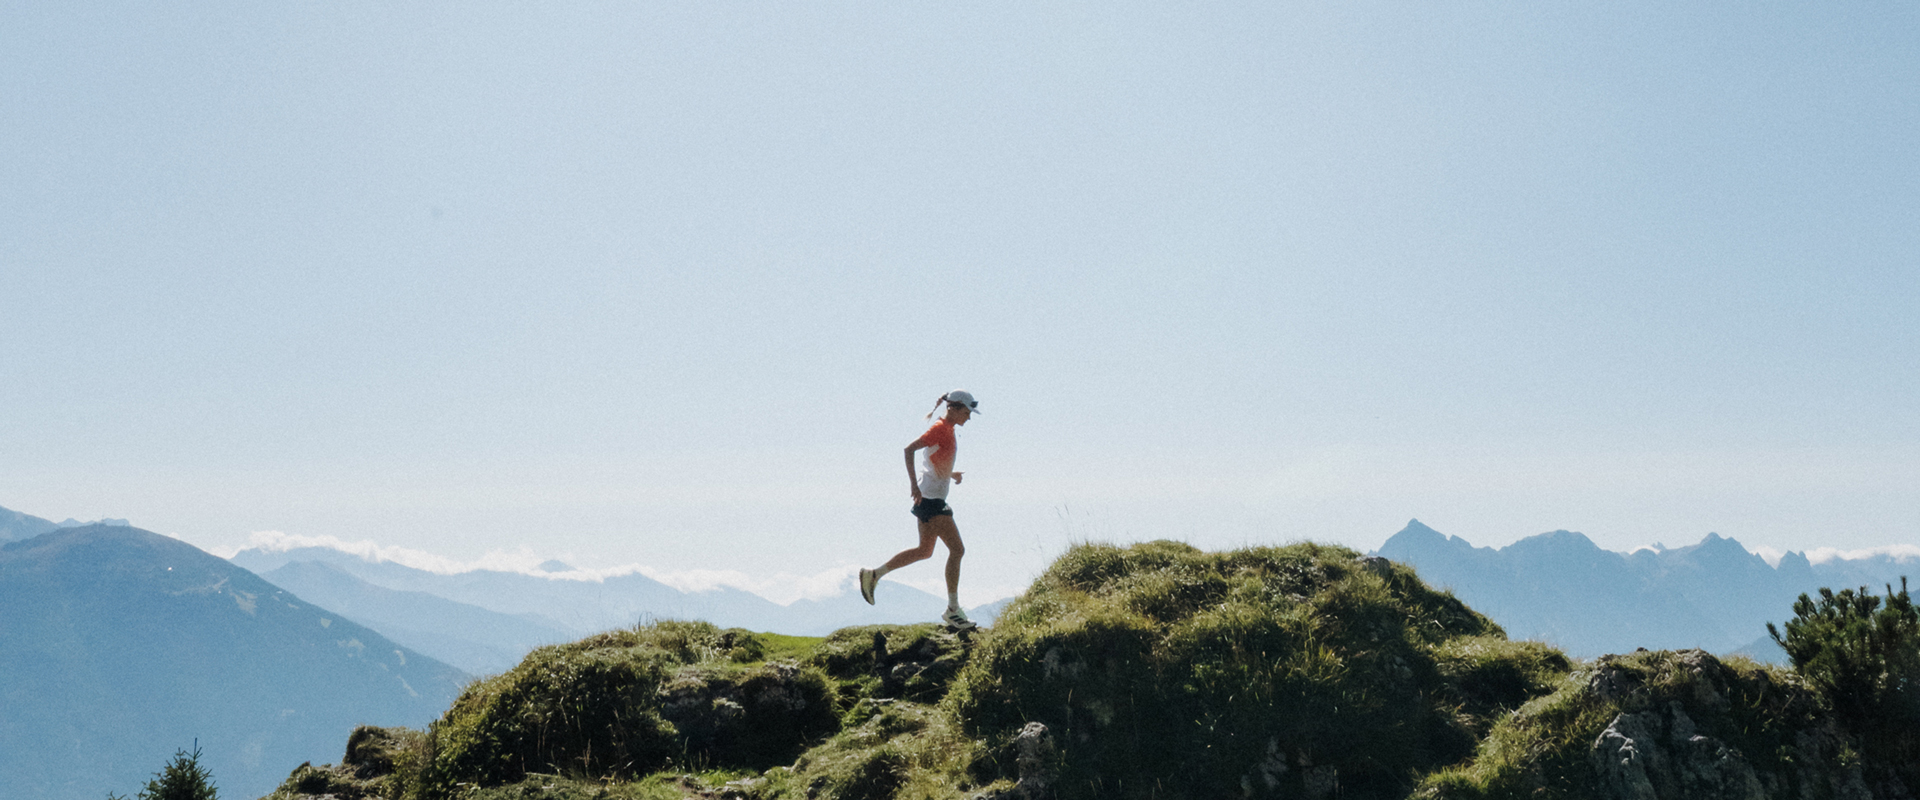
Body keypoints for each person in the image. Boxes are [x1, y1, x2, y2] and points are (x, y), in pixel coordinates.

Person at [859, 390, 981, 629]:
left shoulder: (947, 429)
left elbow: (933, 461)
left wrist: (950, 474)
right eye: (966, 412)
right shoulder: (940, 428)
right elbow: (909, 449)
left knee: (924, 550)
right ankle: (953, 610)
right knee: (957, 550)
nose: (969, 417)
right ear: (954, 408)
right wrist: (913, 485)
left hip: (930, 498)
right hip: (931, 501)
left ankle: (873, 575)